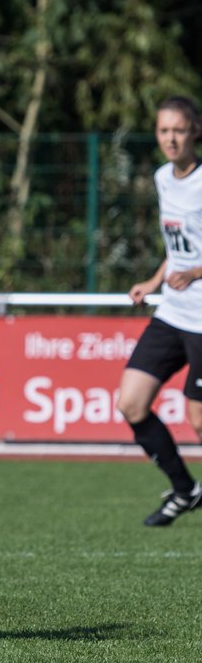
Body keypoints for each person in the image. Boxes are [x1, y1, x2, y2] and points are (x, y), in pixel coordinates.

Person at [118, 95, 202, 526]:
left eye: (179, 130)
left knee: (198, 419)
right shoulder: (162, 178)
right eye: (164, 130)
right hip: (172, 313)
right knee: (130, 402)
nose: (171, 138)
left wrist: (196, 273)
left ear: (195, 132)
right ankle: (186, 490)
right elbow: (178, 246)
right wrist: (154, 282)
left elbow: (193, 259)